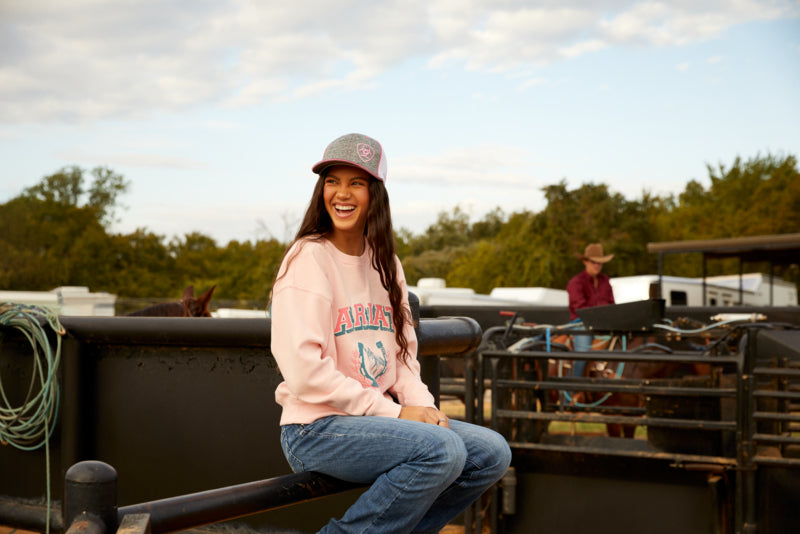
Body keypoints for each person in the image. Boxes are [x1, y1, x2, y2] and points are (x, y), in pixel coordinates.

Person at [269, 133, 511, 534]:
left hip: (376, 421)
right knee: (442, 451)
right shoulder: (307, 257)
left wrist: (425, 410)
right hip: (316, 428)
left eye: (356, 183)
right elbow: (304, 373)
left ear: (375, 194)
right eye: (332, 181)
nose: (342, 193)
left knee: (490, 452)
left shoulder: (386, 263)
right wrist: (397, 413)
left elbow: (403, 358)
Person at [566, 243, 616, 364]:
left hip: (604, 323)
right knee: (583, 355)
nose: (597, 265)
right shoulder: (576, 282)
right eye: (594, 262)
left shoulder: (605, 281)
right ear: (585, 262)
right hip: (582, 323)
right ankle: (577, 375)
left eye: (600, 263)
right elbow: (580, 308)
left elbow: (611, 304)